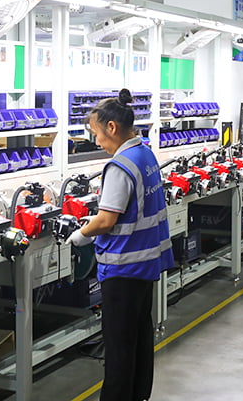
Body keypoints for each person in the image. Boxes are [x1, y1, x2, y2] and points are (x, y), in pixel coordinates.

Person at [67, 88, 174, 401]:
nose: (97, 141)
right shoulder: (145, 153)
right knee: (139, 338)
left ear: (112, 127)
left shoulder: (119, 166)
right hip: (146, 263)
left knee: (118, 349)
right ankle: (139, 395)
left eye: (96, 133)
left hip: (123, 267)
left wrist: (81, 234)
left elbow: (106, 220)